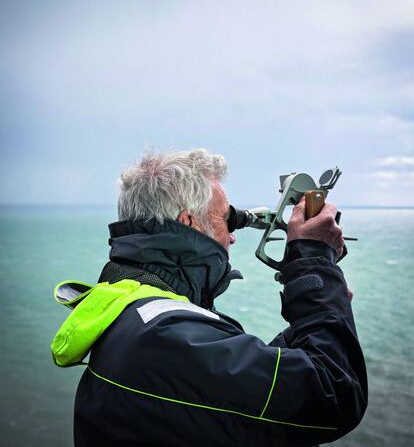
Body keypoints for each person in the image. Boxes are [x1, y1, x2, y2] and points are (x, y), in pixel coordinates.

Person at [51, 149, 368, 446]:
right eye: (224, 220)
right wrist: (314, 263)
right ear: (187, 222)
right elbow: (333, 396)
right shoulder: (163, 337)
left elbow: (232, 389)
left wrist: (321, 312)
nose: (232, 236)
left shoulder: (130, 314)